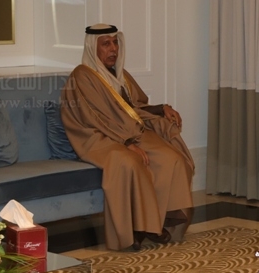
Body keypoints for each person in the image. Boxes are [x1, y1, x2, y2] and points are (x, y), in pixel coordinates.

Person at [61, 24, 195, 251]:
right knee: (131, 161)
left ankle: (158, 221)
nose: (113, 49)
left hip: (127, 133)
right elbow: (95, 117)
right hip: (96, 137)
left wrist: (162, 109)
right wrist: (127, 143)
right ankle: (135, 230)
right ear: (93, 47)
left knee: (171, 158)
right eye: (106, 44)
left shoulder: (119, 74)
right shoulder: (82, 75)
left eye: (115, 43)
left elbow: (134, 107)